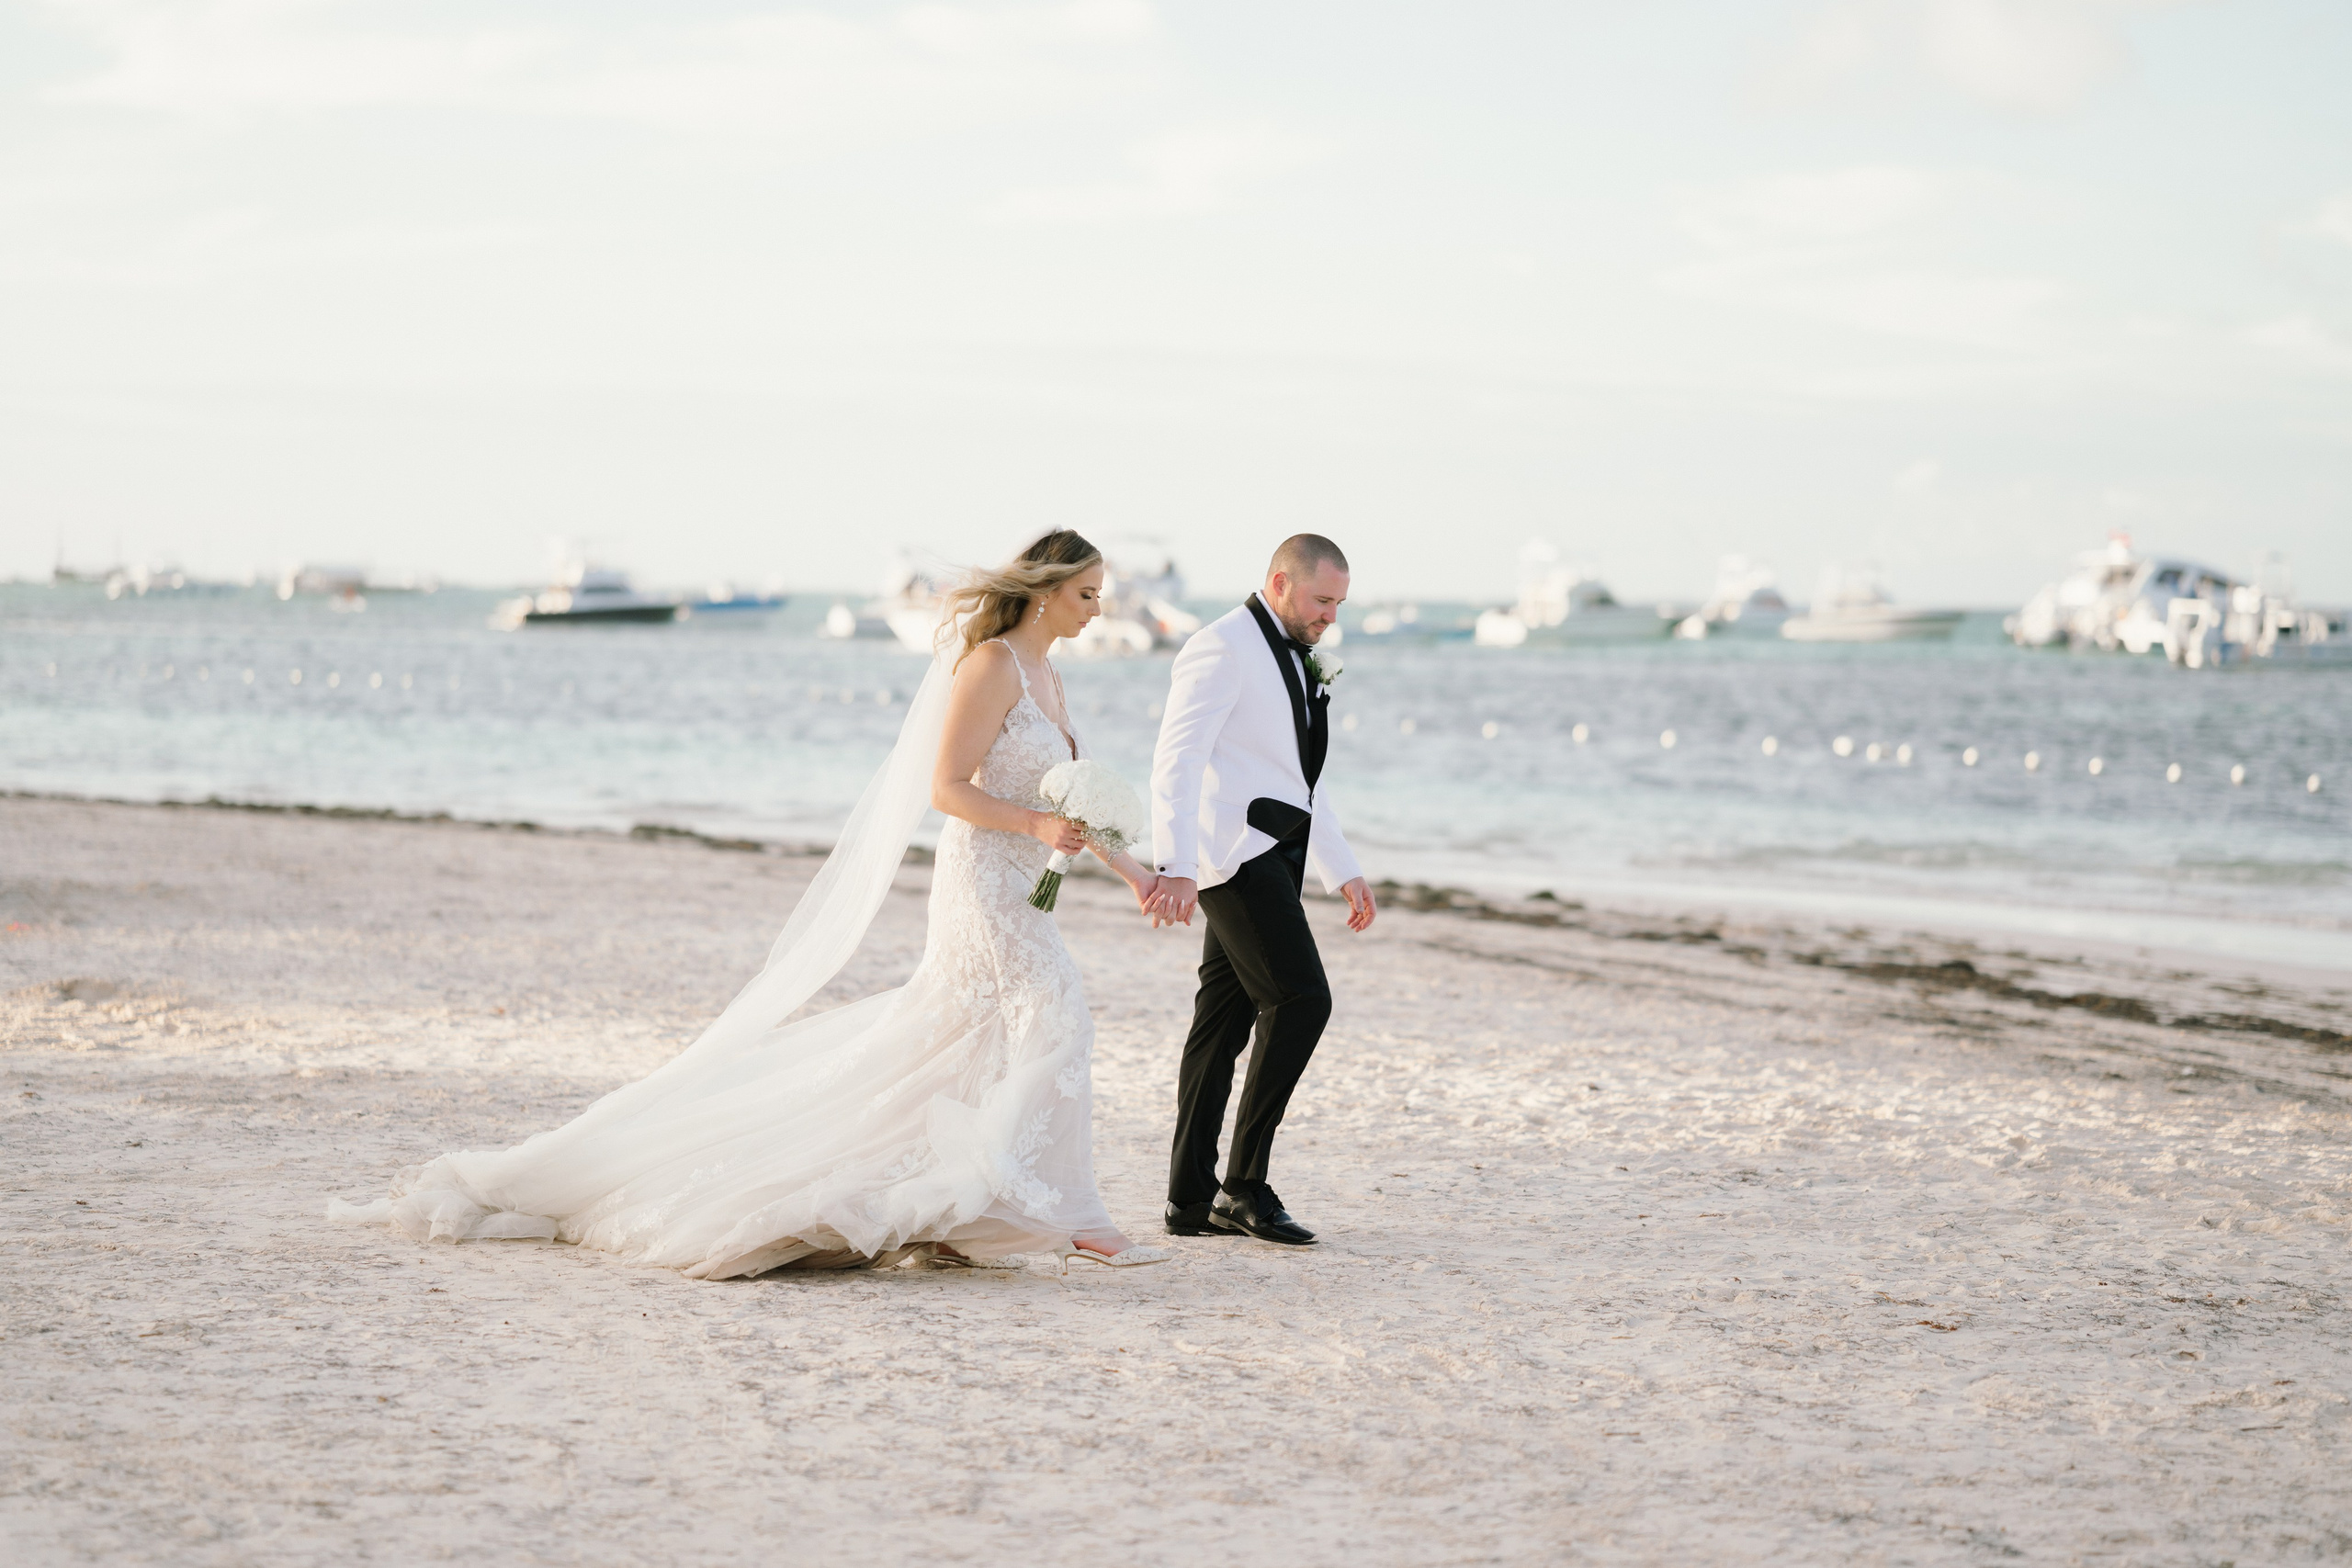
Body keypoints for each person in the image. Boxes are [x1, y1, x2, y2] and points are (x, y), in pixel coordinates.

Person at [330, 531, 1170, 1275]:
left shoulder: (1052, 677)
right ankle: (1077, 1216)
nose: (1099, 609)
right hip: (983, 881)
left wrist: (1135, 873)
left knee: (964, 1040)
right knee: (1056, 1008)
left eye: (1101, 596)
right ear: (1045, 591)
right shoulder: (992, 665)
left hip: (1027, 881)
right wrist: (1031, 821)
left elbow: (1073, 805)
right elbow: (947, 788)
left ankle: (963, 1213)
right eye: (1087, 594)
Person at [1148, 534, 1377, 1246]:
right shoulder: (1220, 647)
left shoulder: (1297, 654)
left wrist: (1342, 866)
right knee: (1303, 999)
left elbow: (1299, 779)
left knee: (1221, 1025)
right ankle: (1243, 1185)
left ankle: (1190, 1198)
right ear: (1281, 581)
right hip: (1231, 855)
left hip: (1279, 852)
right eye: (1321, 599)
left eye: (1339, 603)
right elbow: (1177, 758)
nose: (1331, 616)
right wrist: (1174, 863)